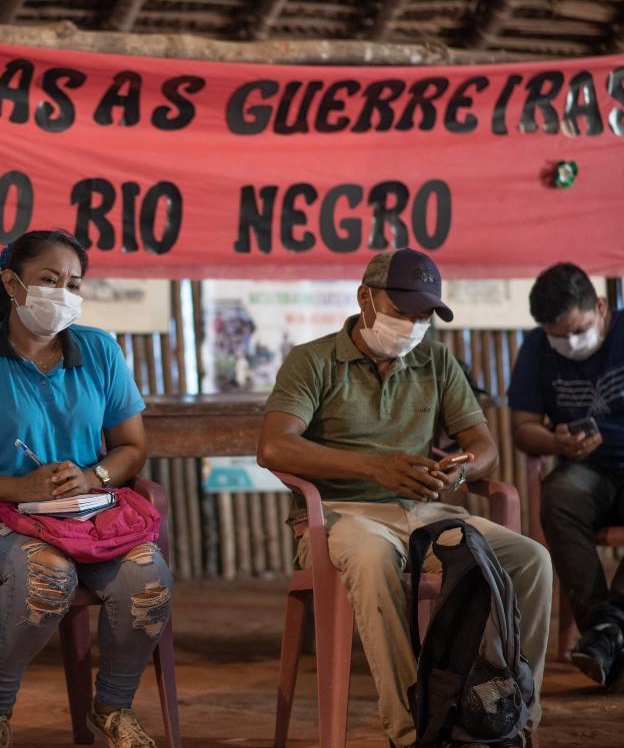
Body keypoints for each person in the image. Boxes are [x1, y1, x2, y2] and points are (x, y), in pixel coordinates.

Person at [257, 247, 552, 748]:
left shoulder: (435, 361)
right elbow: (274, 446)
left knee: (532, 559)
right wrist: (376, 468)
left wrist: (456, 472)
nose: (413, 327)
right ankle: (413, 731)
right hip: (339, 517)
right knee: (373, 560)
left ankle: (513, 716)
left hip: (426, 510)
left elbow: (484, 449)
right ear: (365, 300)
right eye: (402, 313)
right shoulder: (312, 360)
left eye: (423, 317)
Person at [0, 230, 172, 748]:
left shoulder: (99, 351)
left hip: (83, 517)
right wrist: (16, 486)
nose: (63, 293)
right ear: (12, 282)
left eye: (73, 283)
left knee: (149, 576)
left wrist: (96, 476)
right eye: (48, 280)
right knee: (48, 575)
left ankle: (112, 707)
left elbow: (132, 447)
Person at [509, 262, 624, 688]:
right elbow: (523, 429)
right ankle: (607, 632)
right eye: (557, 336)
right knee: (557, 497)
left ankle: (604, 634)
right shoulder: (537, 349)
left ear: (600, 305)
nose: (569, 343)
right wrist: (557, 443)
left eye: (577, 330)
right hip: (583, 470)